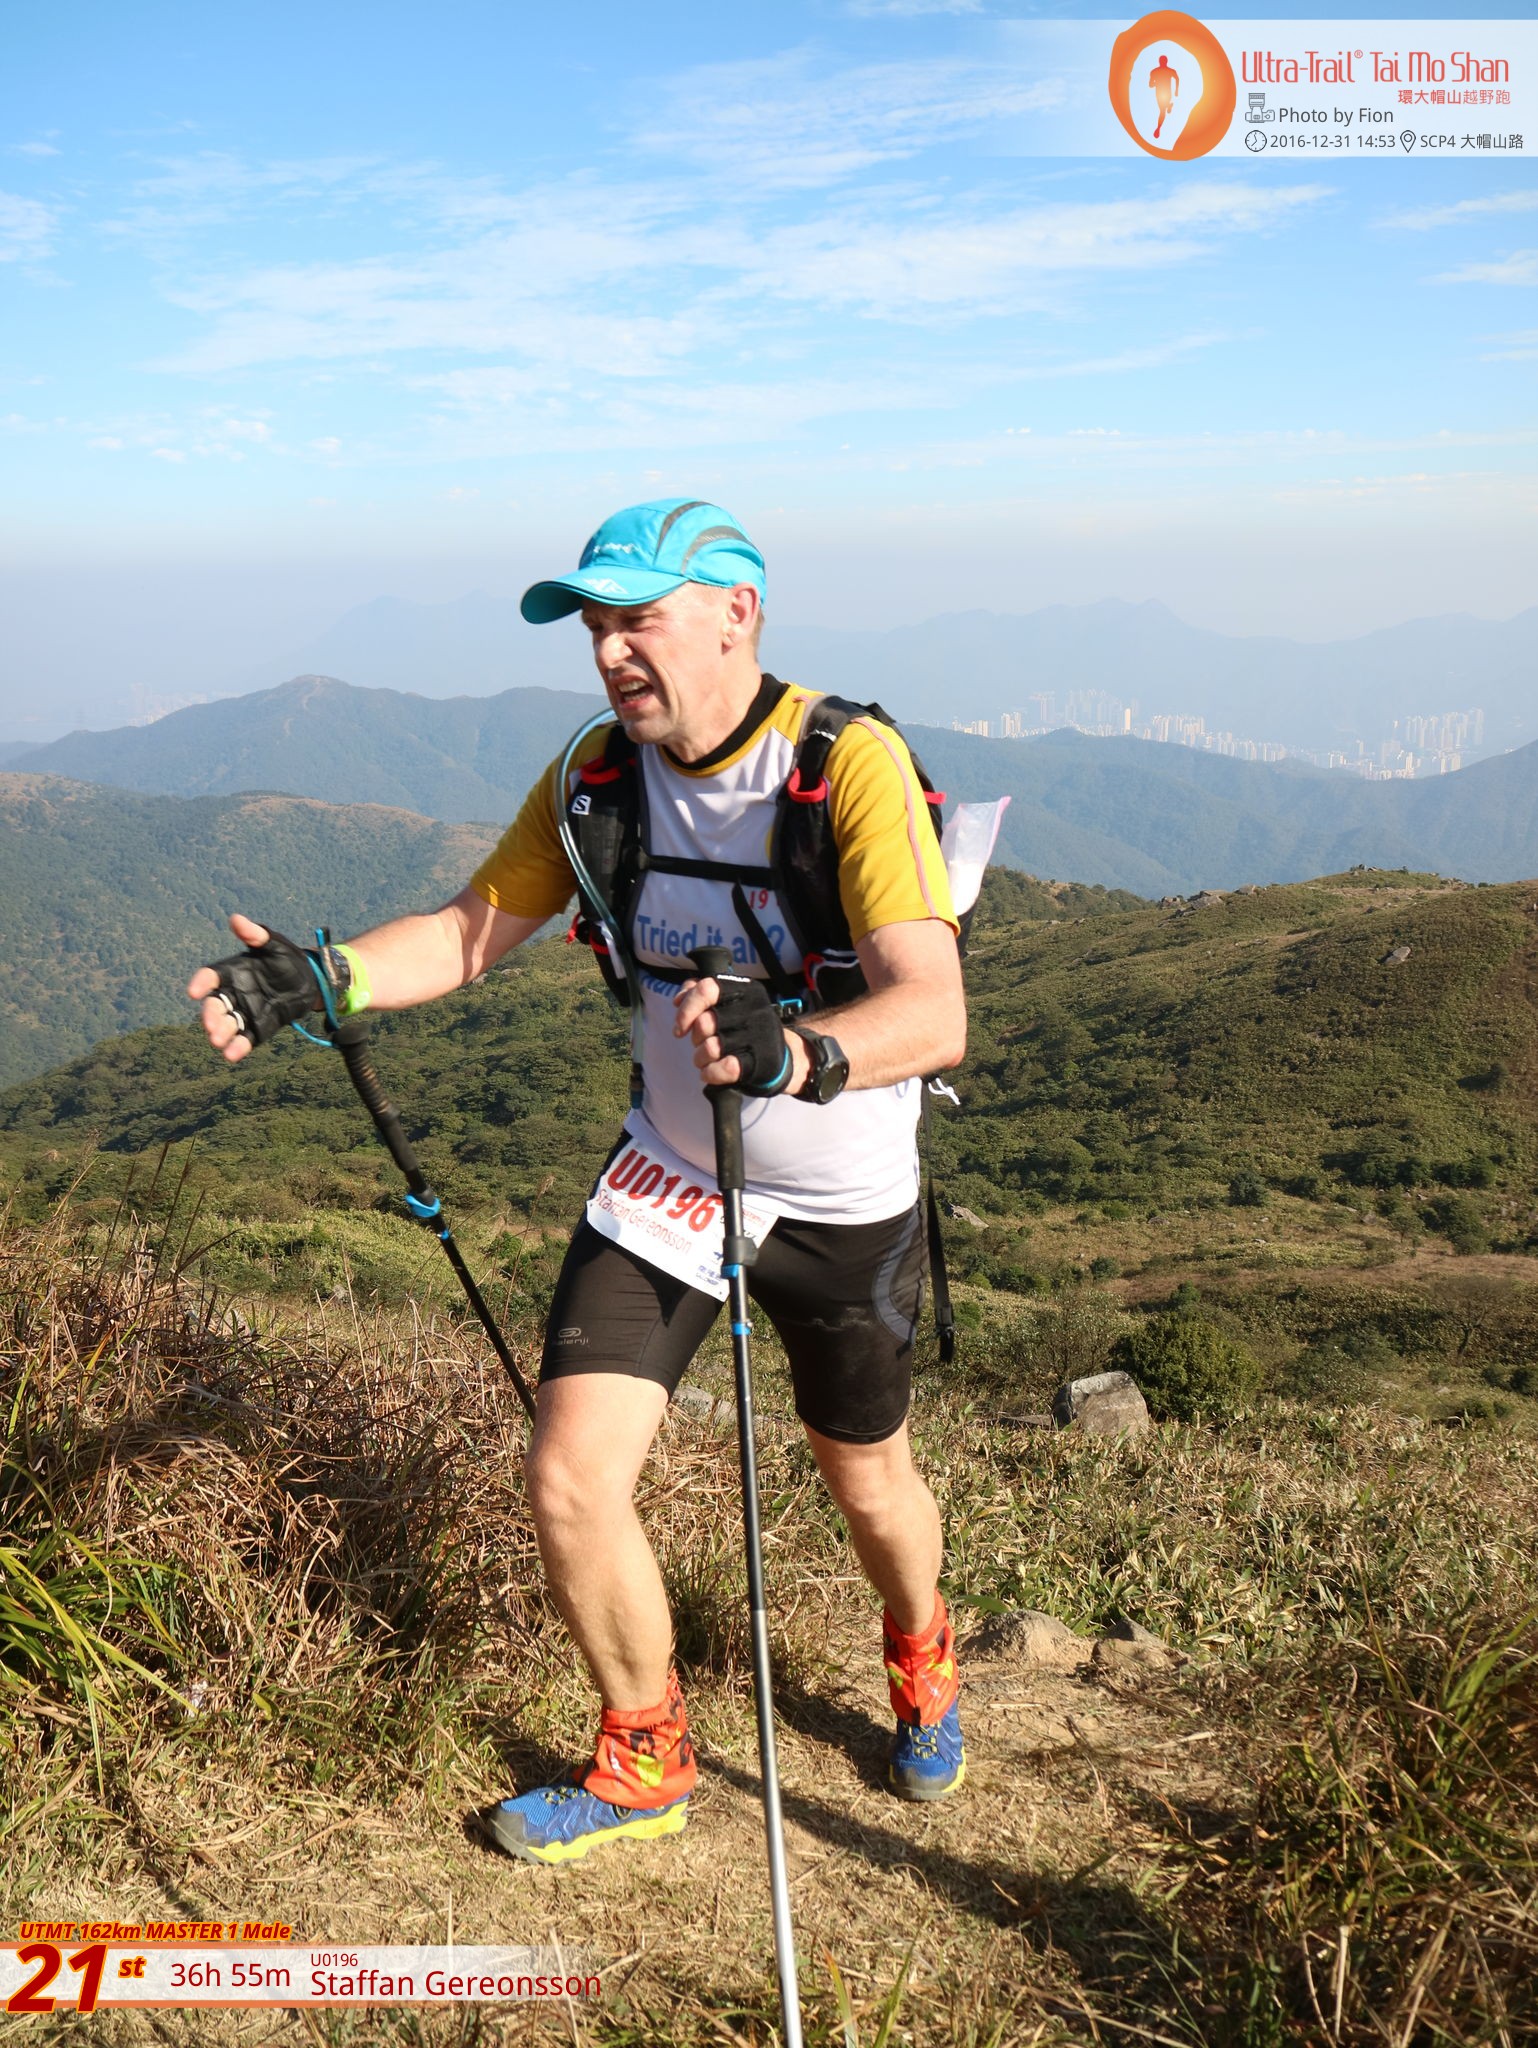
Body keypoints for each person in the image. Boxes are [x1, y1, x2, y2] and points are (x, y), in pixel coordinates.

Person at [188, 497, 968, 1867]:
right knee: (568, 1474)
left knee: (867, 1484)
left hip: (840, 1193)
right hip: (672, 1172)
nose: (610, 650)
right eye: (597, 624)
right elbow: (468, 930)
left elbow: (934, 1009)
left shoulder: (845, 764)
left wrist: (800, 1052)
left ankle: (920, 1651)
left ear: (737, 612)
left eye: (638, 617)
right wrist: (328, 977)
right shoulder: (594, 778)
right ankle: (645, 1754)